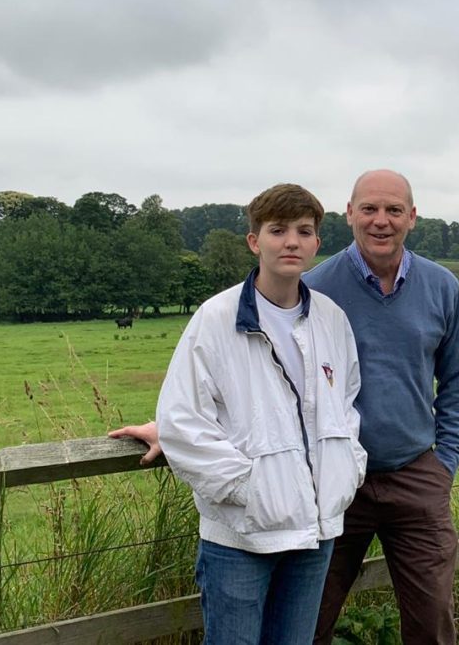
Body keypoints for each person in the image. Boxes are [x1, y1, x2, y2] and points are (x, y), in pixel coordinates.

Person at [110, 170, 459, 645]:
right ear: (350, 215)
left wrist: (442, 463)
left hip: (392, 479)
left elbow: (444, 381)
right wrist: (189, 444)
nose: (381, 221)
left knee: (430, 619)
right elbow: (217, 398)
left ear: (412, 217)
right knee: (306, 625)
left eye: (393, 210)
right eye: (369, 209)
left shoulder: (426, 289)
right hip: (314, 500)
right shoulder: (311, 289)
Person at [118, 183, 367, 645]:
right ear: (255, 242)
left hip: (314, 534)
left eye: (304, 231)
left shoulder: (331, 320)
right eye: (277, 230)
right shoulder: (216, 319)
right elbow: (183, 421)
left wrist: (345, 471)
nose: (291, 241)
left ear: (316, 243)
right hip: (240, 538)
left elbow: (346, 404)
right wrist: (250, 490)